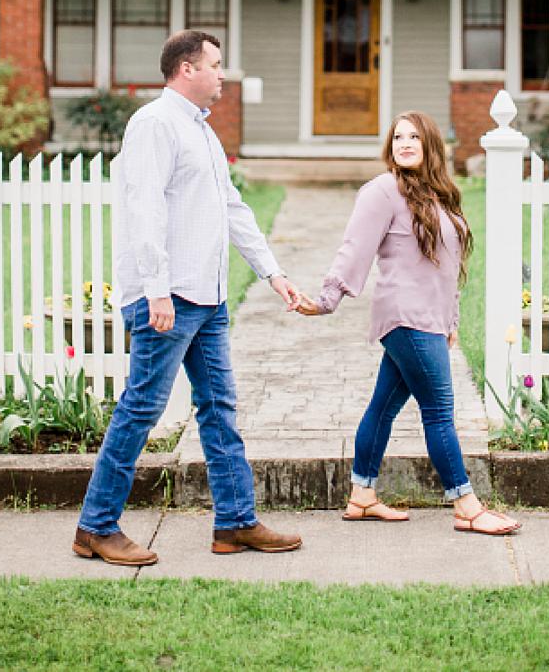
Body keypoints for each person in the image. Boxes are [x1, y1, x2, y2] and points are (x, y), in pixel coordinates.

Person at [73, 29, 303, 565]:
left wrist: (273, 273)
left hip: (207, 297)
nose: (223, 74)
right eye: (216, 64)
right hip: (168, 298)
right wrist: (156, 290)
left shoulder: (201, 131)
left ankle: (236, 523)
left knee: (220, 409)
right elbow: (144, 210)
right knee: (142, 408)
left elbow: (232, 208)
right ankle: (95, 526)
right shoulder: (153, 125)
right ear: (185, 69)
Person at [296, 111, 520, 536]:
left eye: (414, 136)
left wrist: (450, 319)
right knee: (439, 412)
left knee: (384, 407)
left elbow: (448, 267)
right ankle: (467, 506)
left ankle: (362, 496)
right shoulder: (382, 191)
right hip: (405, 317)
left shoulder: (439, 195)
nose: (404, 143)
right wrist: (327, 299)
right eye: (398, 137)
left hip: (428, 319)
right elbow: (355, 248)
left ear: (430, 144)